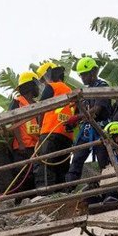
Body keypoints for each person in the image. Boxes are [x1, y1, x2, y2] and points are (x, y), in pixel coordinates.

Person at [65, 57, 113, 184]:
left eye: (84, 74)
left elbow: (97, 109)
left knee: (104, 161)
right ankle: (69, 189)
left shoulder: (101, 86)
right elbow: (80, 113)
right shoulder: (83, 92)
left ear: (93, 72)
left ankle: (110, 191)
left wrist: (78, 117)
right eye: (81, 75)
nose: (82, 78)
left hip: (101, 129)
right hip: (87, 130)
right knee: (77, 160)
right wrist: (72, 123)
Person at [34, 61, 75, 189]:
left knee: (45, 165)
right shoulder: (69, 90)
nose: (43, 83)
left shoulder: (52, 87)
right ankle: (61, 192)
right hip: (66, 135)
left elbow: (41, 108)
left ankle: (45, 193)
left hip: (50, 131)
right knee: (61, 167)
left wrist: (40, 131)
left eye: (43, 79)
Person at [7, 71, 41, 194]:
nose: (38, 88)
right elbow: (13, 121)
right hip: (22, 147)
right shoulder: (17, 102)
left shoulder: (37, 104)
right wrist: (20, 143)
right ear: (30, 86)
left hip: (36, 146)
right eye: (36, 85)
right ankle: (19, 201)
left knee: (35, 175)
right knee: (23, 176)